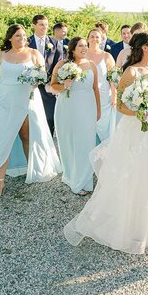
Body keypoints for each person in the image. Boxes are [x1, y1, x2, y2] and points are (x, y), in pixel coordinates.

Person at [63, 32, 148, 254]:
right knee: (136, 171)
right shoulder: (130, 72)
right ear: (143, 47)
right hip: (138, 129)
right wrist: (138, 112)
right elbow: (120, 105)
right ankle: (129, 223)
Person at [0, 24, 62, 200]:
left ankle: (31, 171)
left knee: (27, 137)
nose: (22, 38)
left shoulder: (33, 53)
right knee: (5, 140)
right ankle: (0, 182)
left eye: (24, 35)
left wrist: (36, 81)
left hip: (26, 100)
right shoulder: (1, 55)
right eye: (18, 35)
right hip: (5, 101)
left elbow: (42, 74)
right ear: (10, 37)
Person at [51, 37, 101, 195]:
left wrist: (98, 110)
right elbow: (52, 86)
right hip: (67, 108)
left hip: (87, 107)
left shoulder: (92, 65)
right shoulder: (62, 65)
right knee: (69, 141)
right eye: (80, 46)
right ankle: (72, 176)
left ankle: (84, 179)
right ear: (72, 49)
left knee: (86, 141)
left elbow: (95, 89)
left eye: (86, 45)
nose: (84, 48)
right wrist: (64, 85)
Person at [28, 14, 60, 134]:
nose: (44, 27)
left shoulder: (55, 43)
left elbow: (58, 64)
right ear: (33, 26)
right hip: (30, 86)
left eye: (46, 24)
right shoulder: (27, 42)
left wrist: (52, 81)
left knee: (50, 116)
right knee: (32, 115)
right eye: (41, 24)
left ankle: (49, 140)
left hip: (49, 87)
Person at [86, 28, 117, 142]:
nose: (94, 39)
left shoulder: (107, 56)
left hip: (104, 96)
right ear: (88, 39)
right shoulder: (82, 55)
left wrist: (114, 95)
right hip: (87, 94)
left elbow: (113, 77)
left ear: (101, 39)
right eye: (92, 36)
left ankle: (105, 150)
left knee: (105, 126)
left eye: (97, 37)